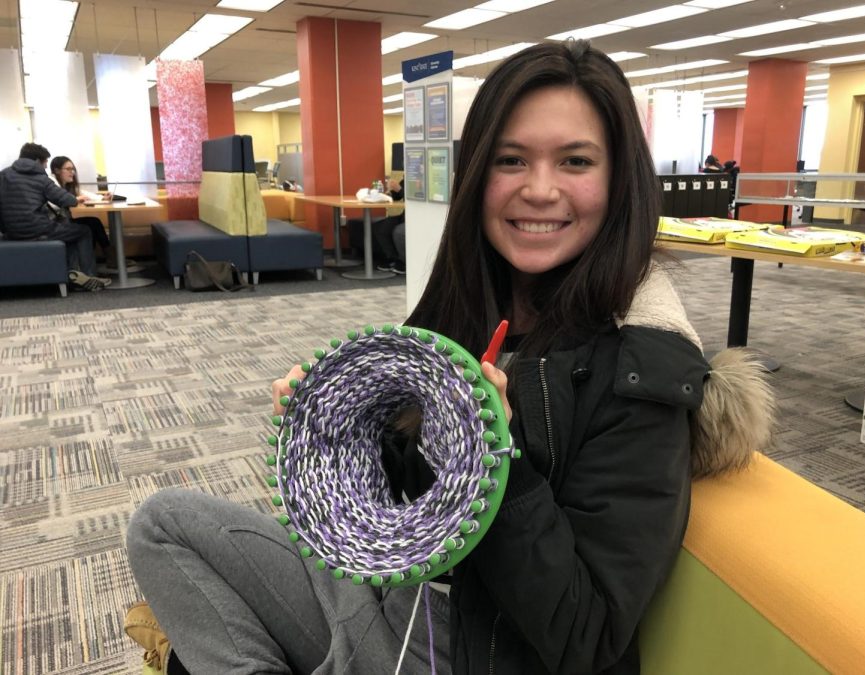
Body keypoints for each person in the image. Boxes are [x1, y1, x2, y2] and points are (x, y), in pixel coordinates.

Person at [125, 41, 773, 674]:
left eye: (575, 161)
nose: (540, 189)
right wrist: (339, 425)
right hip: (379, 596)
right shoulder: (471, 304)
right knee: (163, 524)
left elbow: (586, 636)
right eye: (511, 160)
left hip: (458, 648)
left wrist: (493, 463)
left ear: (619, 179)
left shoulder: (642, 373)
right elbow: (396, 498)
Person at [0, 143, 109, 290]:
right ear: (38, 161)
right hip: (38, 230)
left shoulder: (4, 175)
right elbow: (67, 200)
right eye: (45, 163)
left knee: (69, 231)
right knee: (84, 231)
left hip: (12, 232)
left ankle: (74, 276)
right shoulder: (41, 178)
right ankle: (88, 276)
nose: (45, 167)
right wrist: (76, 199)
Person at [49, 156, 114, 262]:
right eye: (68, 169)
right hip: (56, 224)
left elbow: (83, 193)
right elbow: (55, 202)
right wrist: (75, 199)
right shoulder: (52, 184)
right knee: (89, 226)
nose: (72, 172)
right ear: (56, 170)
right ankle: (109, 260)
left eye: (73, 169)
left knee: (93, 222)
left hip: (64, 221)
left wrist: (102, 197)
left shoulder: (66, 186)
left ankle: (111, 259)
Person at [374, 178, 405, 274]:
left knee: (398, 231)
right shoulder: (408, 177)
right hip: (404, 215)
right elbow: (396, 197)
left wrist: (400, 189)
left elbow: (417, 198)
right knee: (381, 228)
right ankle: (393, 258)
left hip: (416, 216)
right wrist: (389, 194)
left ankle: (404, 262)